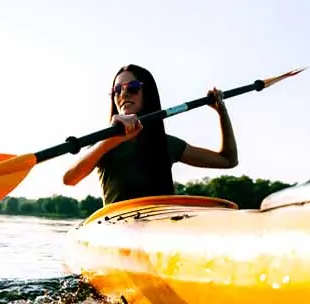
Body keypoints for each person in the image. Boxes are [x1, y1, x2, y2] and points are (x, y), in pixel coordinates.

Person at [63, 64, 240, 205]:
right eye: (117, 90)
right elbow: (70, 179)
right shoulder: (103, 143)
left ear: (147, 94)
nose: (123, 94)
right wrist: (110, 141)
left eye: (132, 87)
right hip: (119, 226)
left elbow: (228, 160)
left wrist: (221, 112)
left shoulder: (167, 144)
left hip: (161, 224)